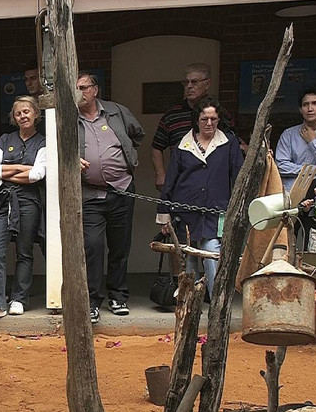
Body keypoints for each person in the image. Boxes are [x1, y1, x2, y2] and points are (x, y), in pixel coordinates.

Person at [158, 96, 243, 298]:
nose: (209, 123)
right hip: (184, 213)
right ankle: (189, 306)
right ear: (197, 119)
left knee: (212, 255)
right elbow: (170, 180)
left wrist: (238, 208)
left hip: (216, 211)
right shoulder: (183, 144)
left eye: (214, 119)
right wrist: (163, 214)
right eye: (205, 119)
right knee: (187, 260)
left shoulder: (228, 142)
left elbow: (239, 175)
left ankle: (215, 304)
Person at [77, 71, 144, 322]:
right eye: (76, 88)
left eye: (84, 87)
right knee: (92, 246)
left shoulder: (117, 112)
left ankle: (118, 296)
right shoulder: (69, 118)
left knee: (120, 245)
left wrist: (127, 156)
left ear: (95, 89)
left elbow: (137, 135)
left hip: (122, 188)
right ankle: (93, 301)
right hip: (90, 194)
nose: (80, 92)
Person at [0, 96, 47, 321]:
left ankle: (18, 299)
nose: (23, 116)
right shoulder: (6, 139)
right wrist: (21, 168)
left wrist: (9, 170)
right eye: (18, 113)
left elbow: (37, 175)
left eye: (27, 111)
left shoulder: (44, 142)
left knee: (24, 252)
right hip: (4, 201)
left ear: (36, 113)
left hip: (28, 202)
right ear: (13, 118)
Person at [151, 62, 238, 190]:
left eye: (194, 82)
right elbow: (156, 147)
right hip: (180, 180)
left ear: (207, 84)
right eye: (186, 83)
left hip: (214, 182)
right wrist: (160, 174)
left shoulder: (221, 114)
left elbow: (234, 144)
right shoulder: (171, 116)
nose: (189, 86)